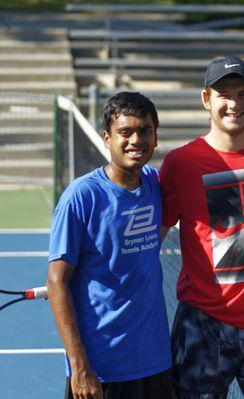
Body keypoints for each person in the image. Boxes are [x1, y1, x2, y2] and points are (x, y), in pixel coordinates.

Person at [159, 56, 244, 398]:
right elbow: (152, 242)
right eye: (224, 94)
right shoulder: (180, 164)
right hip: (203, 325)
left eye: (242, 94)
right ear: (206, 99)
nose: (234, 103)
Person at [47, 92, 173, 399]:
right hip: (100, 369)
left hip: (154, 362)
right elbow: (56, 281)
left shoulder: (159, 185)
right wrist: (80, 368)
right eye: (125, 132)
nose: (136, 140)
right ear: (107, 138)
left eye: (145, 131)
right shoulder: (81, 196)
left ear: (155, 138)